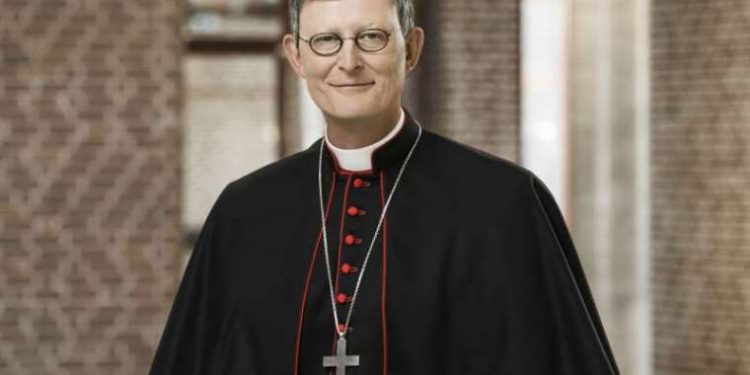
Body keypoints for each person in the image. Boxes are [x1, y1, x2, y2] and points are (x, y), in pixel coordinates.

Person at [148, 0, 620, 373]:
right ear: (296, 55)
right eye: (326, 41)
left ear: (411, 48)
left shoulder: (504, 202)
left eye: (371, 37)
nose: (347, 61)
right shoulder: (245, 212)